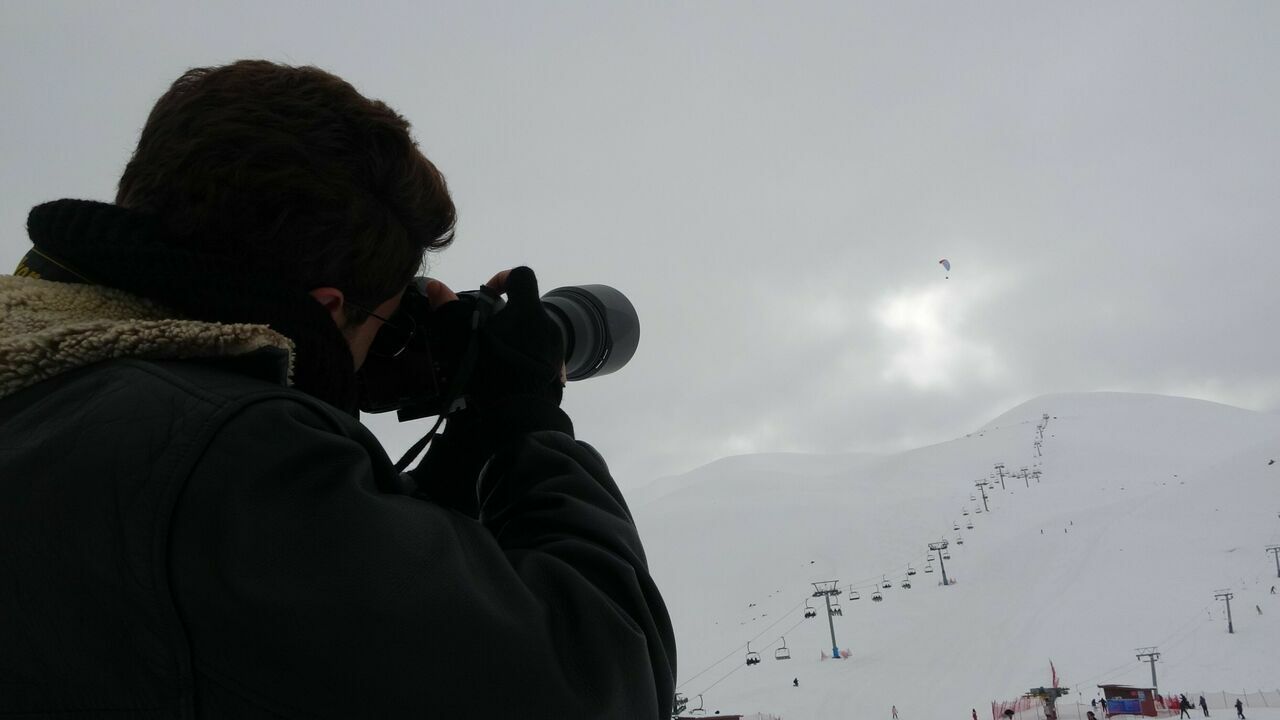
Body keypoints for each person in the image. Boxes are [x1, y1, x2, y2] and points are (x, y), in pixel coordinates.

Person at [0, 60, 675, 718]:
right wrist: (526, 418)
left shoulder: (56, 381)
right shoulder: (223, 459)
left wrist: (462, 434)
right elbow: (603, 678)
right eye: (383, 313)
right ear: (325, 307)